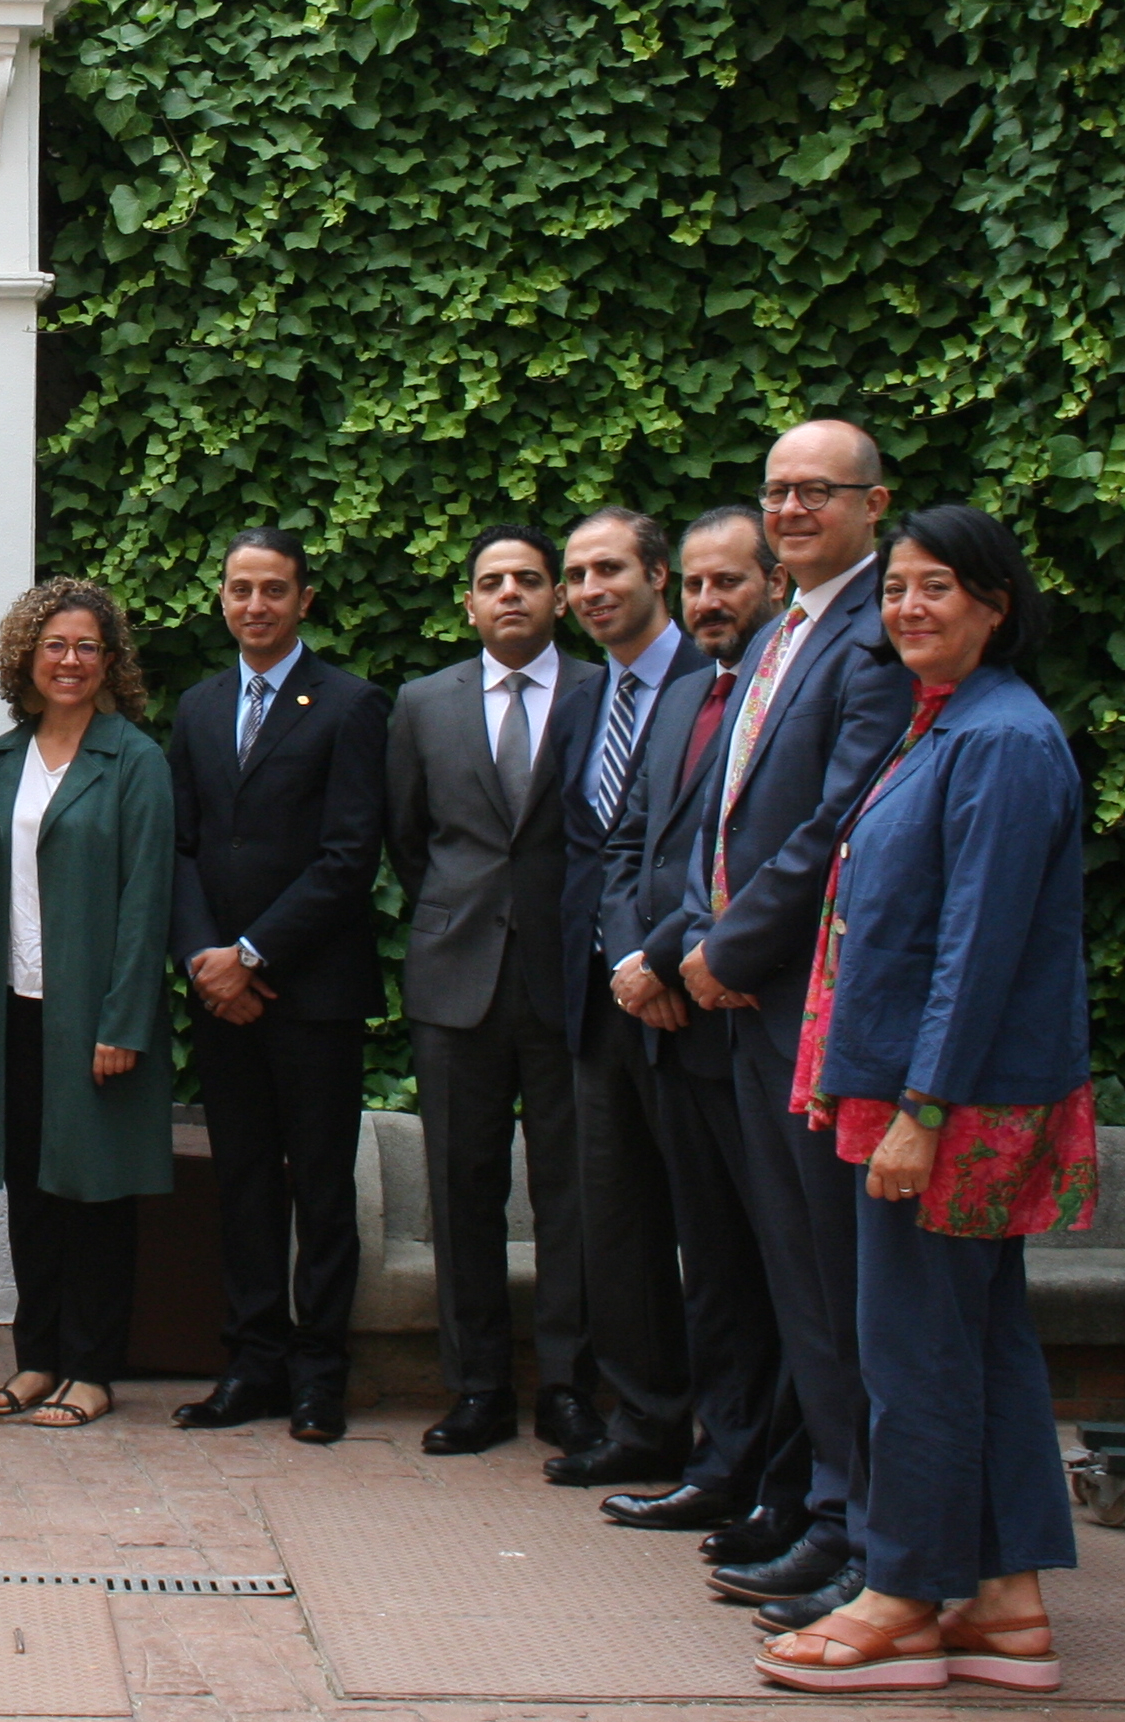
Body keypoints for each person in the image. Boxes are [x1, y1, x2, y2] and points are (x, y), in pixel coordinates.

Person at [753, 505, 1091, 1695]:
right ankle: (1004, 1602)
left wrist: (920, 1107)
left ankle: (900, 1599)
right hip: (924, 1093)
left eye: (936, 586)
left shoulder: (999, 741)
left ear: (996, 604)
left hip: (946, 1107)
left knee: (912, 1353)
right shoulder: (945, 724)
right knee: (978, 1342)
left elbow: (978, 948)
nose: (906, 607)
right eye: (895, 588)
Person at [671, 419, 919, 1628]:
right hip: (752, 1005)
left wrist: (724, 947)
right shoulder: (785, 631)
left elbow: (832, 826)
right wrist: (700, 933)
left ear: (876, 504)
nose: (791, 510)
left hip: (805, 1005)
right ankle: (832, 1519)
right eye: (776, 491)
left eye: (817, 491)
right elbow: (728, 812)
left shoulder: (876, 636)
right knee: (799, 1288)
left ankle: (869, 1541)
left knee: (835, 1288)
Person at [594, 506, 809, 1560]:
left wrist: (673, 952)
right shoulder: (684, 694)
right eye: (694, 584)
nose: (707, 601)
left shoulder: (779, 697)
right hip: (664, 1020)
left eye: (728, 582)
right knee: (714, 1269)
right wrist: (631, 959)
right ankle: (719, 1470)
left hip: (734, 1016)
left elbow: (764, 854)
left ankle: (783, 1491)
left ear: (769, 584)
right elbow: (629, 841)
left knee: (779, 1273)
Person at [384, 524, 604, 1458]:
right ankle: (474, 1388)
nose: (508, 592)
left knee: (572, 1191)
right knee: (458, 1187)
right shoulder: (422, 703)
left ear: (556, 596)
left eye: (526, 578)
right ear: (467, 603)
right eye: (489, 581)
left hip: (568, 977)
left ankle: (567, 1388)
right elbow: (409, 835)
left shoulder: (604, 692)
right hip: (455, 973)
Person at [165, 529, 389, 1445]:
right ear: (220, 599)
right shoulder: (198, 705)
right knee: (245, 1184)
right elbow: (181, 847)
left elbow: (348, 857)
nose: (253, 604)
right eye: (239, 589)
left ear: (302, 598)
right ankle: (250, 1363)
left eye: (272, 589)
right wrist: (203, 958)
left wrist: (251, 955)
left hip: (312, 990)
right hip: (219, 993)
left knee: (321, 1188)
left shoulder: (350, 704)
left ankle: (317, 1372)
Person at [0, 579, 173, 1430]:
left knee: (95, 1196)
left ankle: (91, 1366)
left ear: (109, 661)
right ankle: (36, 1358)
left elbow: (146, 902)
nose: (70, 660)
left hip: (93, 1018)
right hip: (9, 1008)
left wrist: (123, 1023)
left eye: (86, 646)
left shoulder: (135, 761)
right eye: (54, 646)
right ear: (26, 659)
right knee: (31, 1193)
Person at [549, 507, 712, 1487]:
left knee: (717, 1231)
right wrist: (617, 964)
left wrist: (658, 957)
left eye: (609, 568)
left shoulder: (715, 685)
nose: (590, 589)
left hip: (693, 996)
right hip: (602, 998)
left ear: (658, 574)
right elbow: (597, 849)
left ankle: (732, 1446)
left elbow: (721, 848)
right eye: (578, 574)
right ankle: (645, 1423)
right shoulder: (579, 700)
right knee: (617, 1225)